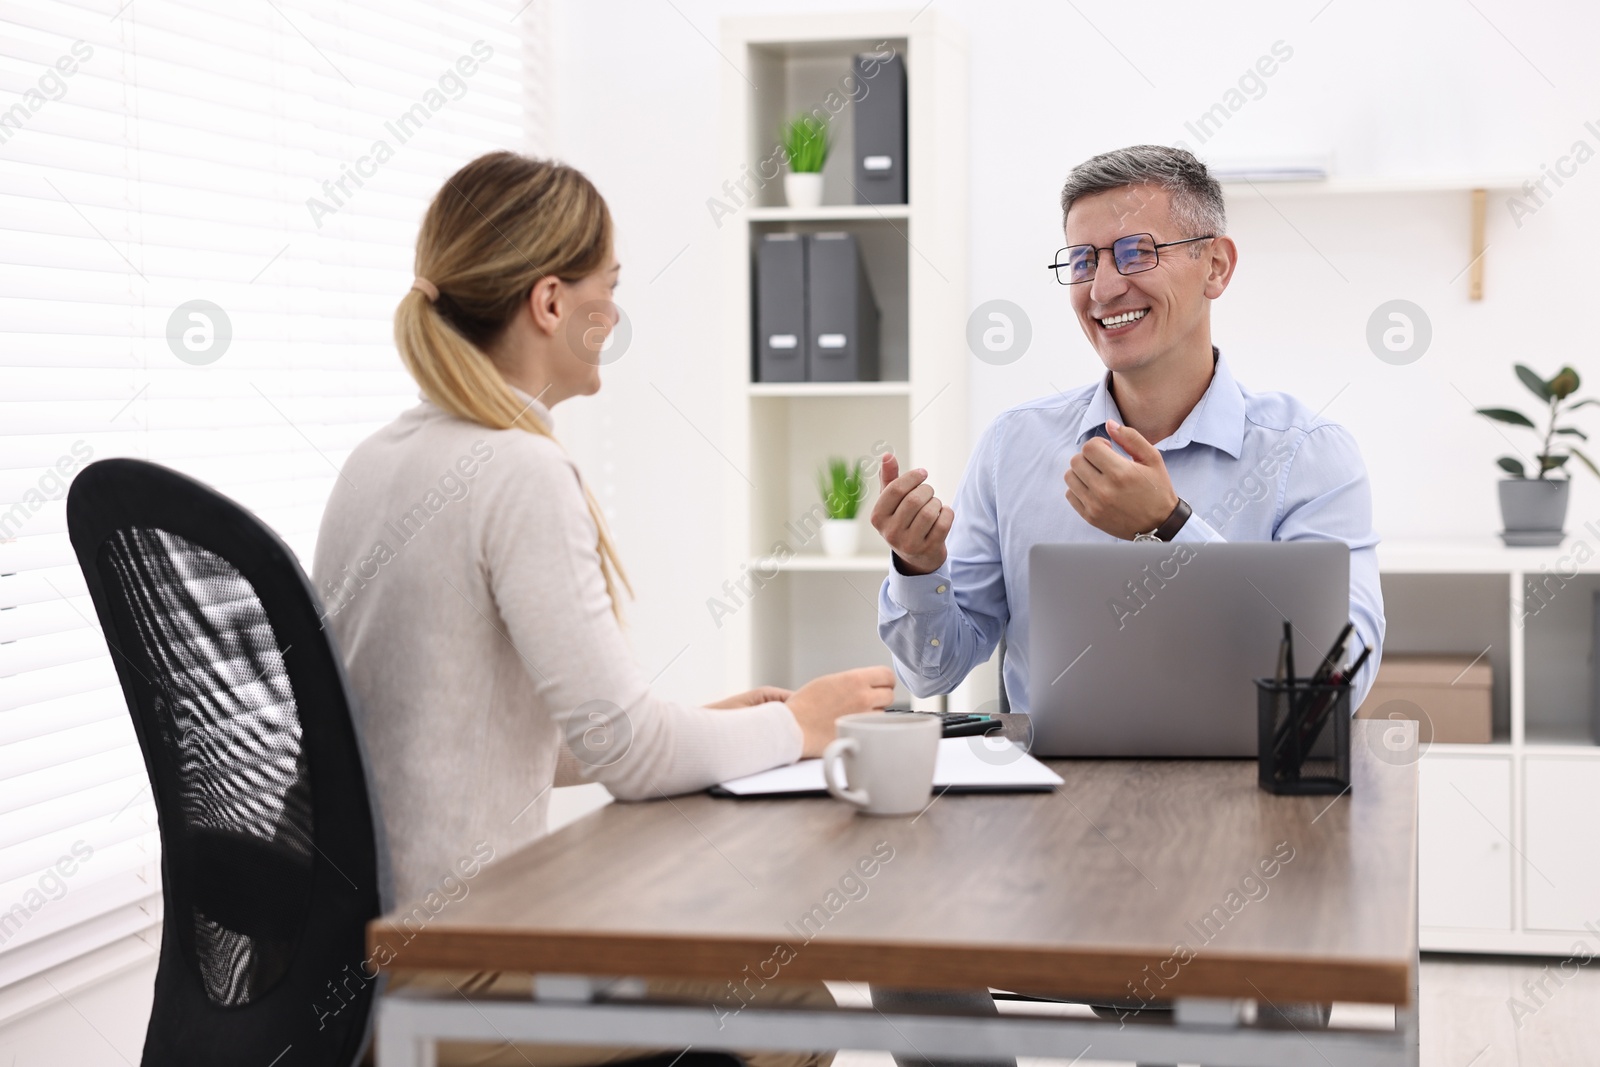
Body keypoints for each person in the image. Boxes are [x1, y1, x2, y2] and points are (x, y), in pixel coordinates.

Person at [314, 150, 892, 1067]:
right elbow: (632, 755)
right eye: (607, 287)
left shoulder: (378, 459)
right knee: (794, 1002)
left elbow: (452, 734)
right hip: (453, 971)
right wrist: (802, 722)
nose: (613, 313)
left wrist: (707, 722)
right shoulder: (517, 469)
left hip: (350, 967)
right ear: (549, 302)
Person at [869, 144, 1379, 1062]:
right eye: (1083, 260)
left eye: (1134, 252)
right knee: (900, 939)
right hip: (1052, 814)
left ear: (1216, 264)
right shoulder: (1017, 446)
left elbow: (1340, 676)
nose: (1103, 284)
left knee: (1275, 973)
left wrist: (1172, 527)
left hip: (1245, 822)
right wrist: (918, 569)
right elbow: (935, 665)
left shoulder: (1310, 451)